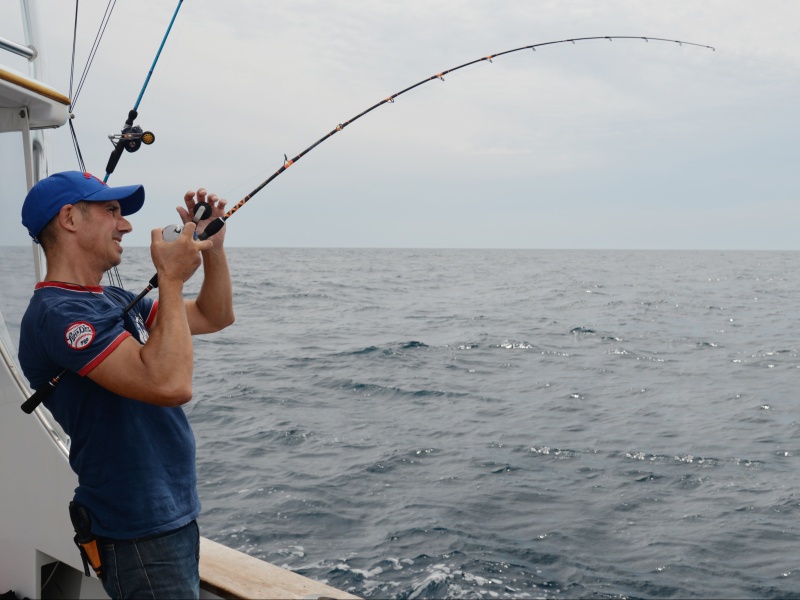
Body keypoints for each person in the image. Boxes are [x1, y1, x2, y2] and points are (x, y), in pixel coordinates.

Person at [17, 170, 235, 599]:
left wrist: (213, 250)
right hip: (137, 530)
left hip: (172, 513)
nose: (127, 225)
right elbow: (171, 384)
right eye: (112, 211)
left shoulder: (112, 300)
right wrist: (170, 279)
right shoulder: (57, 314)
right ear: (69, 219)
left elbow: (214, 316)